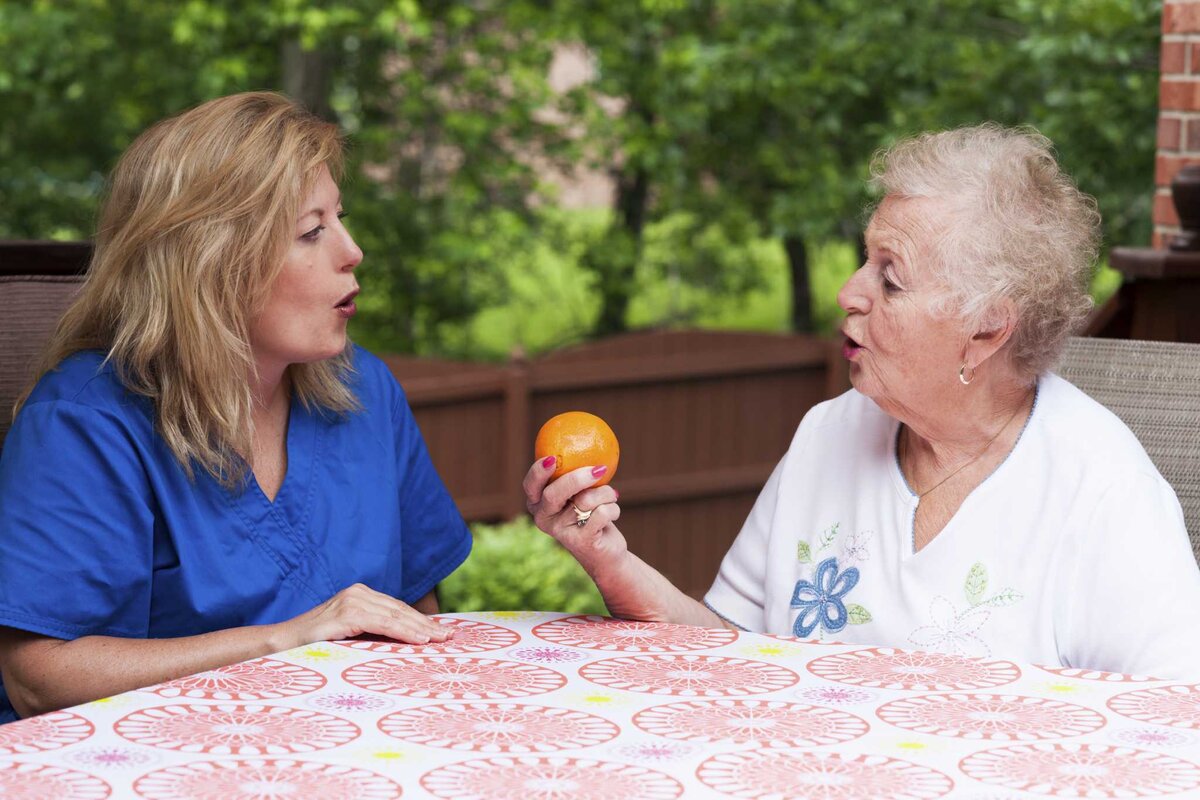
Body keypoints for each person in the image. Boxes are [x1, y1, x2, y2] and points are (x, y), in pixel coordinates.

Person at [526, 123, 1200, 679]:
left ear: (987, 329)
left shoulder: (1103, 492)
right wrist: (609, 560)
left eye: (891, 278)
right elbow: (729, 650)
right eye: (864, 259)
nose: (850, 291)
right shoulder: (829, 432)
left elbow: (1173, 723)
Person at [0, 92, 472, 723]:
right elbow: (39, 675)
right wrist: (287, 640)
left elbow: (419, 611)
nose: (352, 250)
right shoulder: (84, 424)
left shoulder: (367, 392)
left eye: (340, 218)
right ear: (211, 263)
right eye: (311, 230)